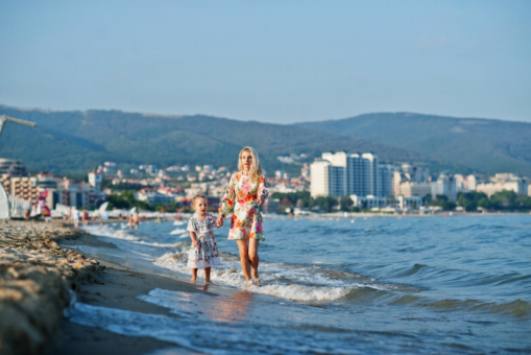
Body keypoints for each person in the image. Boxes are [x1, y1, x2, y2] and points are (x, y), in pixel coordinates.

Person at [217, 146, 268, 286]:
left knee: (252, 254)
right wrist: (221, 214)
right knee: (243, 253)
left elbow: (263, 191)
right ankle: (248, 281)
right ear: (240, 159)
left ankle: (255, 272)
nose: (246, 160)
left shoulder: (259, 177)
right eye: (243, 157)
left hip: (254, 218)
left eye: (249, 157)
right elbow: (229, 196)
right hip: (238, 218)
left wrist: (261, 198)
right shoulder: (236, 177)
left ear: (254, 159)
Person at [187, 195, 220, 287]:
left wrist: (220, 220)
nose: (203, 207)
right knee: (195, 261)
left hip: (209, 242)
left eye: (205, 205)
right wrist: (193, 240)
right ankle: (194, 277)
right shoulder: (193, 219)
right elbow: (191, 231)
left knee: (208, 261)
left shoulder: (210, 217)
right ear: (194, 207)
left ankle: (208, 279)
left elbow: (217, 225)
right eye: (200, 205)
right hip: (198, 243)